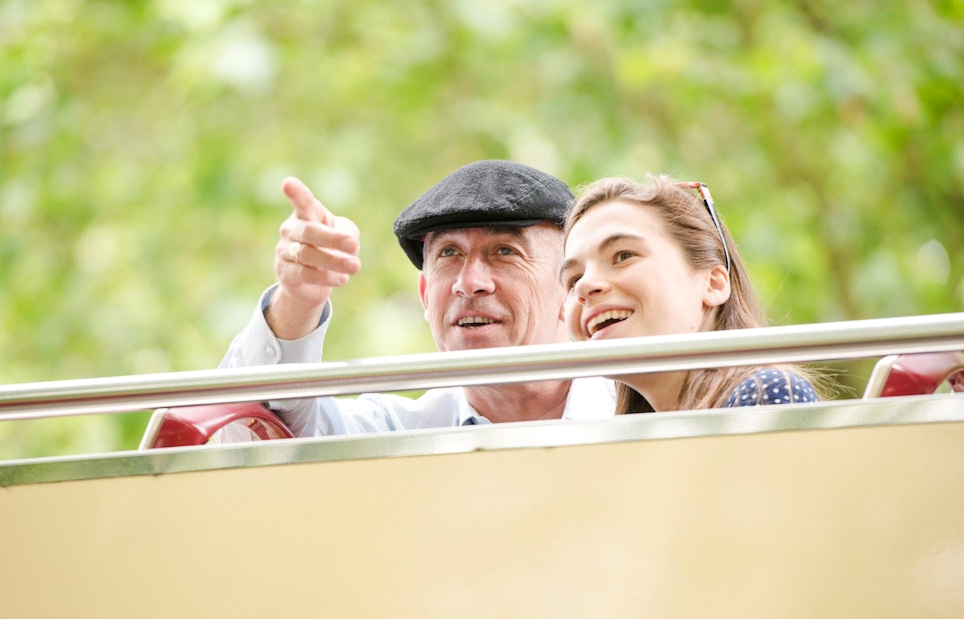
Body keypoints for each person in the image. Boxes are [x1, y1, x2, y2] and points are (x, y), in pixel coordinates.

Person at [219, 160, 615, 438]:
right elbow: (250, 429)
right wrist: (297, 299)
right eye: (449, 254)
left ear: (570, 288)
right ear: (426, 296)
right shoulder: (395, 437)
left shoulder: (640, 411)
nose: (469, 282)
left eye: (505, 252)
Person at [559, 175, 822, 414]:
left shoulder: (763, 395)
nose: (585, 285)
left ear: (713, 284)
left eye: (623, 256)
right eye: (573, 279)